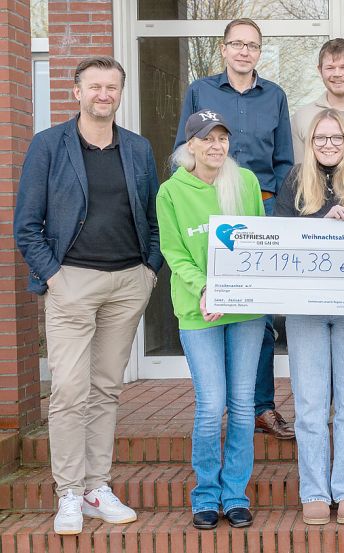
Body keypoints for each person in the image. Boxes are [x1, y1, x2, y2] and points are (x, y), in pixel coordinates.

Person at [14, 56, 160, 535]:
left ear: (120, 93)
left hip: (127, 283)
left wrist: (149, 271)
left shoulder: (137, 148)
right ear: (77, 92)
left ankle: (97, 487)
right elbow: (27, 225)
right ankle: (69, 494)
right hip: (71, 281)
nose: (103, 94)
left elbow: (153, 217)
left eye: (111, 87)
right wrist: (54, 278)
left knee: (106, 389)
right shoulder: (49, 145)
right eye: (94, 86)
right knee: (70, 391)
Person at [175, 17, 295, 441]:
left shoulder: (275, 96)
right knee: (214, 300)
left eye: (252, 45)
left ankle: (259, 406)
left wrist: (279, 214)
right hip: (208, 205)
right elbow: (183, 147)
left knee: (257, 315)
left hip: (259, 205)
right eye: (237, 44)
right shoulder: (200, 91)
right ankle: (219, 402)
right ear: (223, 48)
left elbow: (284, 161)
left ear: (259, 52)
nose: (245, 51)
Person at [158, 110, 266, 530]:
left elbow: (261, 241)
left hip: (246, 309)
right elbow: (174, 252)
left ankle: (235, 495)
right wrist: (205, 288)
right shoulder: (171, 192)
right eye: (207, 139)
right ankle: (205, 494)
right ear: (191, 146)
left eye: (222, 138)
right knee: (210, 405)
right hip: (197, 309)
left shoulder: (245, 182)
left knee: (241, 405)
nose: (216, 146)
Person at [275, 108, 344, 526]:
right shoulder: (293, 180)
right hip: (307, 310)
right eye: (320, 138)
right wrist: (324, 223)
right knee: (310, 405)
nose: (328, 145)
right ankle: (315, 490)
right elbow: (282, 238)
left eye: (336, 138)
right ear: (309, 143)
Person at [292, 38, 344, 162]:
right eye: (330, 68)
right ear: (320, 70)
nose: (337, 74)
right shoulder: (302, 117)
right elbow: (300, 170)